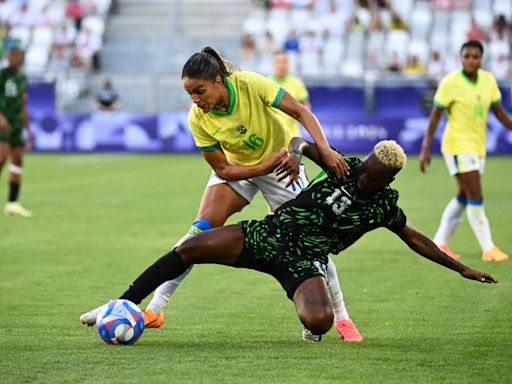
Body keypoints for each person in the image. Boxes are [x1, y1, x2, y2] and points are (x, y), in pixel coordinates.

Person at [84, 139, 497, 341]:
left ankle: (320, 324)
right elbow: (300, 141)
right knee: (190, 246)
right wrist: (296, 153)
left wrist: (460, 267)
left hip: (305, 261)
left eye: (371, 173)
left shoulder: (383, 208)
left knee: (318, 321)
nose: (361, 174)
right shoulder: (344, 166)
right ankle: (126, 302)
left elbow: (415, 239)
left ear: (387, 179)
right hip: (269, 234)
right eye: (364, 166)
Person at [81, 46, 363, 342]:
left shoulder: (250, 84)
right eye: (190, 94)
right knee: (199, 231)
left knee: (308, 239)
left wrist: (326, 150)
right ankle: (149, 308)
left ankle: (342, 317)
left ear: (218, 80)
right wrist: (259, 166)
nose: (195, 100)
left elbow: (302, 112)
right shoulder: (197, 117)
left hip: (281, 168)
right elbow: (224, 170)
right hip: (239, 169)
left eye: (199, 91)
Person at [419, 40, 512, 262]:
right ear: (460, 58)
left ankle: (439, 243)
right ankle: (488, 248)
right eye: (466, 56)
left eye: (475, 56)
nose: (471, 60)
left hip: (477, 147)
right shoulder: (450, 82)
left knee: (463, 195)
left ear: (481, 59)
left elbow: (498, 112)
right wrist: (425, 147)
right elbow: (435, 115)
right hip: (458, 147)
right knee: (475, 195)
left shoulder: (488, 81)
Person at [0, 44, 33, 217]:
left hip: (16, 124)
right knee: (1, 158)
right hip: (2, 124)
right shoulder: (2, 75)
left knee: (17, 161)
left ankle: (13, 203)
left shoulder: (21, 78)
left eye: (17, 56)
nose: (15, 58)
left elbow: (22, 104)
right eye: (12, 55)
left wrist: (29, 129)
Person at [268, 50, 310, 138]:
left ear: (289, 64)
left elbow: (305, 107)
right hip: (271, 135)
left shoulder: (297, 83)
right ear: (273, 64)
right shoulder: (266, 82)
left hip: (292, 134)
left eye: (284, 62)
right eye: (278, 62)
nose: (281, 65)